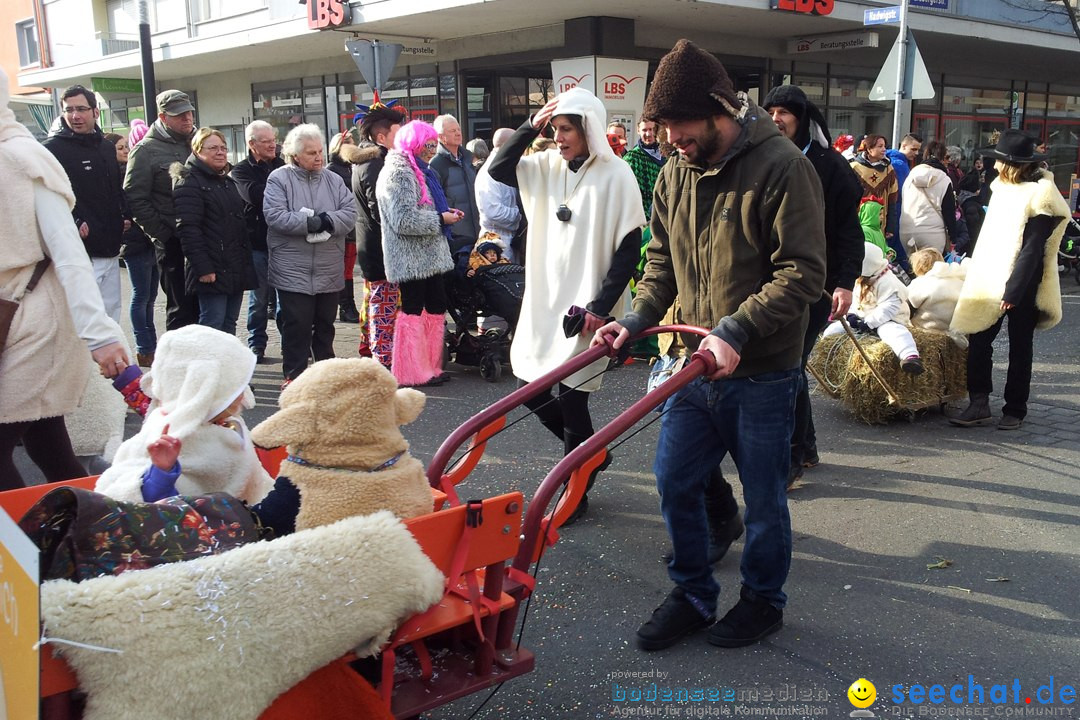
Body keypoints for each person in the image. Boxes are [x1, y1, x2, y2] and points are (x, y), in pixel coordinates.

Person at [592, 40, 826, 650]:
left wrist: (735, 331)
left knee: (766, 499)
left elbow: (801, 274)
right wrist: (636, 319)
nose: (670, 138)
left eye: (679, 125)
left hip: (763, 370)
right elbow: (661, 261)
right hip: (690, 366)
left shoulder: (782, 167)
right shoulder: (674, 173)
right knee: (674, 481)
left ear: (721, 108)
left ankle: (762, 601)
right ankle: (694, 594)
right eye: (662, 127)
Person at [490, 86, 645, 523]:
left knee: (573, 399)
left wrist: (601, 304)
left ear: (588, 129)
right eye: (554, 129)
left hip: (587, 307)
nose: (559, 137)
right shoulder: (543, 167)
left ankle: (575, 488)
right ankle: (591, 455)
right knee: (527, 387)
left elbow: (628, 249)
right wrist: (531, 123)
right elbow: (499, 166)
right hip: (544, 303)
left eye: (566, 129)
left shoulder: (617, 175)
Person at [0, 68, 129, 489]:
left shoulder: (24, 157)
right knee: (49, 447)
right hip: (15, 316)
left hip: (37, 320)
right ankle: (95, 537)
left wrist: (100, 335)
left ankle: (26, 552)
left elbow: (71, 254)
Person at [762, 84, 864, 486]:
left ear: (802, 119)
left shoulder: (830, 165)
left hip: (817, 287)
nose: (776, 118)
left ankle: (788, 458)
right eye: (770, 111)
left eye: (784, 111)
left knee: (788, 366)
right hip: (774, 284)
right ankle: (806, 446)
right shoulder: (763, 159)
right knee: (791, 367)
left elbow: (848, 232)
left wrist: (844, 283)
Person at [949, 129, 1070, 430]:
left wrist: (1013, 291)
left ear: (1013, 164)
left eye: (999, 161)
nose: (994, 165)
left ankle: (1015, 408)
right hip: (990, 275)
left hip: (1024, 281)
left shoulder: (1041, 194)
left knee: (1020, 345)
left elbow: (1032, 249)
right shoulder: (1002, 187)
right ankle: (979, 402)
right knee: (979, 339)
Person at [96, 325, 273, 504]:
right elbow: (152, 509)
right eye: (234, 387)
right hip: (206, 526)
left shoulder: (225, 422)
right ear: (205, 389)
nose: (243, 394)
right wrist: (162, 473)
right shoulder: (181, 437)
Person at [264, 124, 357, 387]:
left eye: (320, 151)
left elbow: (350, 214)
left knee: (325, 325)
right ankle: (294, 377)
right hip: (292, 266)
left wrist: (327, 220)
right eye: (311, 153)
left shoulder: (333, 179)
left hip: (328, 265)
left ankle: (327, 378)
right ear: (295, 155)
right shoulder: (279, 179)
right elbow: (275, 216)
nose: (318, 157)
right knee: (297, 326)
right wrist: (311, 223)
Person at [375, 120, 458, 388]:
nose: (432, 150)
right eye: (428, 145)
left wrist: (444, 217)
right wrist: (441, 219)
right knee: (412, 312)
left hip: (429, 255)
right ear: (414, 145)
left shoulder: (421, 170)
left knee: (435, 308)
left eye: (434, 144)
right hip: (411, 259)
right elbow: (403, 220)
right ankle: (411, 371)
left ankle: (431, 366)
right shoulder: (398, 172)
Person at [43, 85, 128, 324]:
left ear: (95, 112)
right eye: (69, 110)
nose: (75, 115)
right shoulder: (52, 150)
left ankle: (108, 363)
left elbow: (115, 190)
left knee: (110, 317)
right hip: (79, 253)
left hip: (111, 247)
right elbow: (49, 197)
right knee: (82, 322)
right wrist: (75, 219)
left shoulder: (106, 147)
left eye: (81, 109)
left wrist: (125, 215)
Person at [125, 90, 201, 331]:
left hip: (202, 237)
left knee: (206, 306)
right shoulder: (145, 150)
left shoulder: (198, 141)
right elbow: (135, 198)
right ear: (163, 117)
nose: (186, 118)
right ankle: (176, 364)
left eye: (189, 113)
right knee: (181, 307)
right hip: (172, 241)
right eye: (179, 115)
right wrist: (162, 234)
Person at [172, 128, 257, 336]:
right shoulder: (189, 182)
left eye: (223, 148)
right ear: (198, 150)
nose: (220, 152)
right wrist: (203, 268)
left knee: (229, 324)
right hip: (212, 270)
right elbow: (188, 229)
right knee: (212, 325)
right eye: (213, 148)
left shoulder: (226, 182)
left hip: (234, 266)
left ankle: (226, 368)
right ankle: (206, 367)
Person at [351, 101, 405, 370]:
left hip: (374, 246)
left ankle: (373, 352)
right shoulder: (375, 163)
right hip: (380, 248)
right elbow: (380, 209)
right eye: (398, 132)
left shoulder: (370, 160)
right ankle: (383, 361)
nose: (403, 137)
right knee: (383, 305)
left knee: (375, 300)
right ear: (381, 136)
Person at [823, 243, 923, 374]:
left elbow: (889, 308)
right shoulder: (860, 279)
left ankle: (910, 357)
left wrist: (869, 322)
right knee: (835, 328)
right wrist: (852, 314)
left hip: (888, 320)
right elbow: (855, 299)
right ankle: (824, 349)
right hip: (862, 318)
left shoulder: (888, 281)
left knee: (894, 333)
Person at [230, 120, 284, 364]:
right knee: (259, 299)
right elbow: (256, 196)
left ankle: (289, 343)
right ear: (252, 144)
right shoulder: (240, 171)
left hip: (283, 243)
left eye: (274, 140)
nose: (273, 145)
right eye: (266, 141)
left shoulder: (283, 165)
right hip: (258, 244)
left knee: (286, 299)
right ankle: (256, 344)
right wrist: (283, 194)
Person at [106, 127, 158, 367]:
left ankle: (151, 345)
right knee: (141, 296)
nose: (126, 151)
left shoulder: (134, 170)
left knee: (151, 297)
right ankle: (144, 348)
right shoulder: (113, 176)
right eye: (120, 148)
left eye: (127, 146)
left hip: (150, 241)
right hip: (134, 244)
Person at [851, 133, 907, 271]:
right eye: (879, 146)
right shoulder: (854, 168)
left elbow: (893, 200)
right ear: (869, 149)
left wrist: (891, 226)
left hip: (879, 224)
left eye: (884, 146)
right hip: (858, 221)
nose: (884, 150)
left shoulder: (889, 170)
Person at [430, 114, 480, 257]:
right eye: (452, 131)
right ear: (441, 137)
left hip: (476, 228)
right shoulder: (435, 164)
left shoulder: (468, 158)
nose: (458, 133)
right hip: (455, 234)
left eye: (458, 129)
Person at [327, 131, 363, 324]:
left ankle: (348, 305)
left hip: (355, 226)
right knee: (343, 270)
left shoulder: (354, 167)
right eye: (347, 143)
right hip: (342, 228)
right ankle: (345, 306)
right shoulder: (332, 169)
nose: (352, 145)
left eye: (352, 142)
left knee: (348, 269)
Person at [900, 140, 958, 256]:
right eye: (947, 158)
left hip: (907, 230)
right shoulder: (944, 179)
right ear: (941, 158)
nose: (949, 161)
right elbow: (949, 211)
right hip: (933, 233)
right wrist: (953, 236)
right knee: (931, 270)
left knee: (915, 268)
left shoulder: (911, 175)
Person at [475, 128, 523, 261]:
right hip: (496, 244)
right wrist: (521, 216)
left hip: (507, 240)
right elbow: (493, 211)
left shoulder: (507, 167)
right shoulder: (489, 173)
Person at [907, 247, 966, 333]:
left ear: (918, 268)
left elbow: (908, 307)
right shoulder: (958, 280)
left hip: (925, 330)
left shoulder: (921, 283)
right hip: (952, 331)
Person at [623, 118, 666, 219]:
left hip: (665, 217)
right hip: (642, 219)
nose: (648, 134)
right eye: (644, 130)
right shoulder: (632, 158)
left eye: (651, 129)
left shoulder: (667, 156)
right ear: (638, 131)